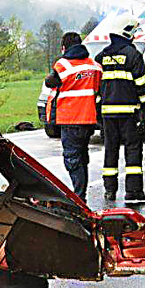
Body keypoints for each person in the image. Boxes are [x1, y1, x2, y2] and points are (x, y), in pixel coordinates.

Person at [95, 14, 145, 203]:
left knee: (110, 151)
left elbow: (96, 88)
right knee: (133, 151)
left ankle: (109, 191)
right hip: (129, 114)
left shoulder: (101, 57)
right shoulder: (133, 55)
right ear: (126, 32)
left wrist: (97, 113)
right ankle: (133, 191)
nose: (135, 36)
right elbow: (142, 86)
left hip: (107, 114)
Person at [44, 31, 102, 202]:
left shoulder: (63, 65)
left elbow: (50, 82)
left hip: (70, 119)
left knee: (72, 158)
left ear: (64, 48)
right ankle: (81, 192)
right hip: (89, 119)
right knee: (82, 157)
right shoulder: (94, 66)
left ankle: (79, 197)